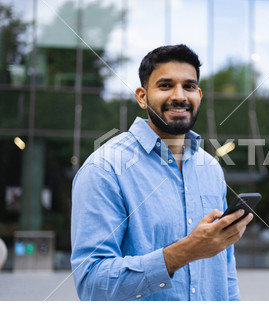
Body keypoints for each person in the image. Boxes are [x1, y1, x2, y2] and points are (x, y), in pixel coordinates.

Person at [71, 44, 253, 301]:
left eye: (189, 86)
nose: (179, 96)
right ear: (142, 96)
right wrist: (185, 251)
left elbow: (225, 271)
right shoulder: (105, 169)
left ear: (199, 94)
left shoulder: (211, 168)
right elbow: (92, 284)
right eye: (165, 85)